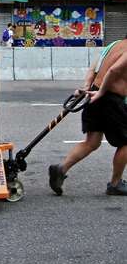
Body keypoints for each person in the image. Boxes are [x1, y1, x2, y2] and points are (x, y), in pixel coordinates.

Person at [49, 34, 127, 196]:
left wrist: (87, 88)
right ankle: (115, 184)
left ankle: (61, 169)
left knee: (91, 142)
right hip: (110, 99)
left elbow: (94, 68)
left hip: (94, 94)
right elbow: (114, 70)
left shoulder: (113, 45)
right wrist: (102, 92)